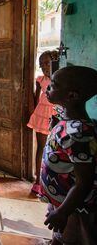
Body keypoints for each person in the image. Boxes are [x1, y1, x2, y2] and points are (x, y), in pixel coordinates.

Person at [39, 66, 97, 245]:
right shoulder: (67, 122)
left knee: (74, 237)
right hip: (62, 199)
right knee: (60, 233)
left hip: (75, 207)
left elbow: (83, 182)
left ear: (72, 96)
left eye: (54, 85)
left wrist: (63, 212)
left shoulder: (79, 134)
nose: (48, 87)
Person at [27, 51, 56, 194]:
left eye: (47, 63)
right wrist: (32, 113)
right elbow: (35, 99)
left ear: (55, 61)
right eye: (41, 64)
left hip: (56, 116)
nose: (44, 66)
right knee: (41, 147)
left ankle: (52, 179)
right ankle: (38, 180)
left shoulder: (60, 79)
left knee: (55, 149)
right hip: (42, 115)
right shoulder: (41, 80)